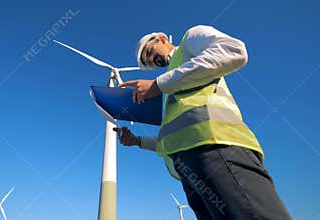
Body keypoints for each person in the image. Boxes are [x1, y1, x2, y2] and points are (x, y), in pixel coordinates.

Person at [113, 25, 292, 220]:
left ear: (161, 39)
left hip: (217, 146)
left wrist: (157, 85)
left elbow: (234, 50)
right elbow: (177, 134)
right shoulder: (170, 82)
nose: (152, 61)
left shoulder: (189, 41)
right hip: (188, 170)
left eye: (149, 52)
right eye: (149, 64)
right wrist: (137, 141)